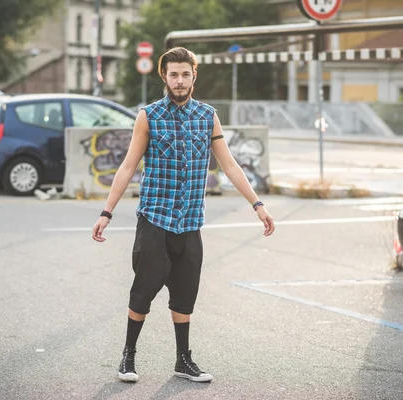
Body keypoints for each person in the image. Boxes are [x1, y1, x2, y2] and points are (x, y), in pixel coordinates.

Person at [92, 46, 275, 383]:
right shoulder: (149, 115)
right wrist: (107, 211)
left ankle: (183, 360)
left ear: (194, 76)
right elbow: (128, 165)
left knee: (185, 293)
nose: (179, 80)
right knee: (143, 290)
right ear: (164, 76)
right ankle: (128, 356)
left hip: (190, 221)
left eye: (185, 74)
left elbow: (230, 165)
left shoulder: (208, 116)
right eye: (173, 74)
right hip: (155, 217)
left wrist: (257, 204)